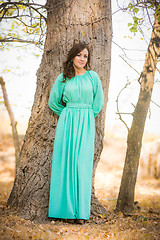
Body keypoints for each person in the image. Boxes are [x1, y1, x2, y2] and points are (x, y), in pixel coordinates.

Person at [48, 41, 104, 224]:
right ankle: (63, 211)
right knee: (65, 164)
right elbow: (53, 101)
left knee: (81, 165)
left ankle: (80, 213)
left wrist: (87, 116)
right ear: (72, 56)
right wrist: (66, 114)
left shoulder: (92, 77)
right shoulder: (63, 78)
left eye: (85, 56)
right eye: (79, 55)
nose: (82, 59)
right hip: (67, 122)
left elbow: (98, 103)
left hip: (86, 123)